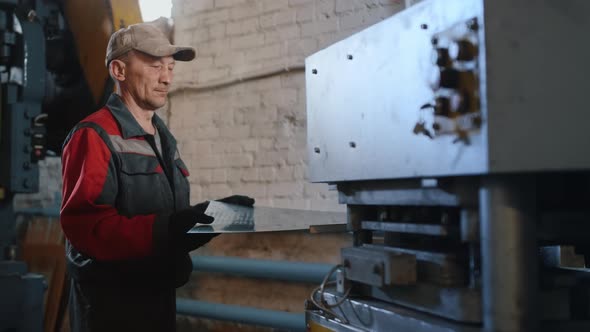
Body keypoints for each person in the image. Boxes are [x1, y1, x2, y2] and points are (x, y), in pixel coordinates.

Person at [60, 19, 254, 332]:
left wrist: (206, 220)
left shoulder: (165, 141)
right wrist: (170, 228)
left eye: (170, 68)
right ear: (119, 71)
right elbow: (87, 230)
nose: (166, 78)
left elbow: (169, 220)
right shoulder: (94, 135)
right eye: (153, 66)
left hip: (158, 298)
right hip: (111, 309)